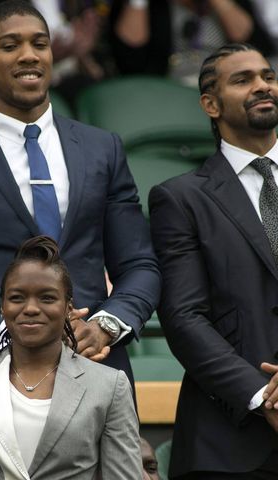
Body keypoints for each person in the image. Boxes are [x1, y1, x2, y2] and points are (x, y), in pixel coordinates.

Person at [0, 1, 160, 476]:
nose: (29, 55)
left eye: (40, 43)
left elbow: (140, 266)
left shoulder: (101, 147)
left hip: (95, 379)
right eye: (10, 45)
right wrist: (11, 332)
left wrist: (107, 324)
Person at [149, 43, 278, 478]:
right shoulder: (180, 198)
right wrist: (263, 397)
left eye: (268, 76)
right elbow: (184, 318)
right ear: (210, 104)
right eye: (243, 80)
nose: (262, 85)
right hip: (230, 443)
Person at [0, 235, 143, 479]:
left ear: (68, 308)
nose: (31, 308)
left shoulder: (109, 386)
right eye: (17, 298)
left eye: (47, 298)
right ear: (2, 306)